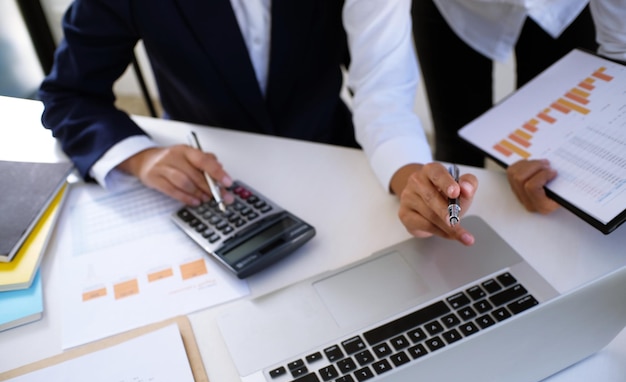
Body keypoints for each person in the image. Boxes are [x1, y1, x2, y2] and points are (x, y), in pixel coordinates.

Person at [39, 0, 478, 246]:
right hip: (210, 183)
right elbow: (69, 93)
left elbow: (382, 89)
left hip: (336, 161)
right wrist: (143, 159)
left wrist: (409, 178)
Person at [411, 0, 626, 214]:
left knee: (550, 169)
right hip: (455, 9)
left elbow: (621, 52)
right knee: (455, 149)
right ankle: (452, 221)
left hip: (564, 9)